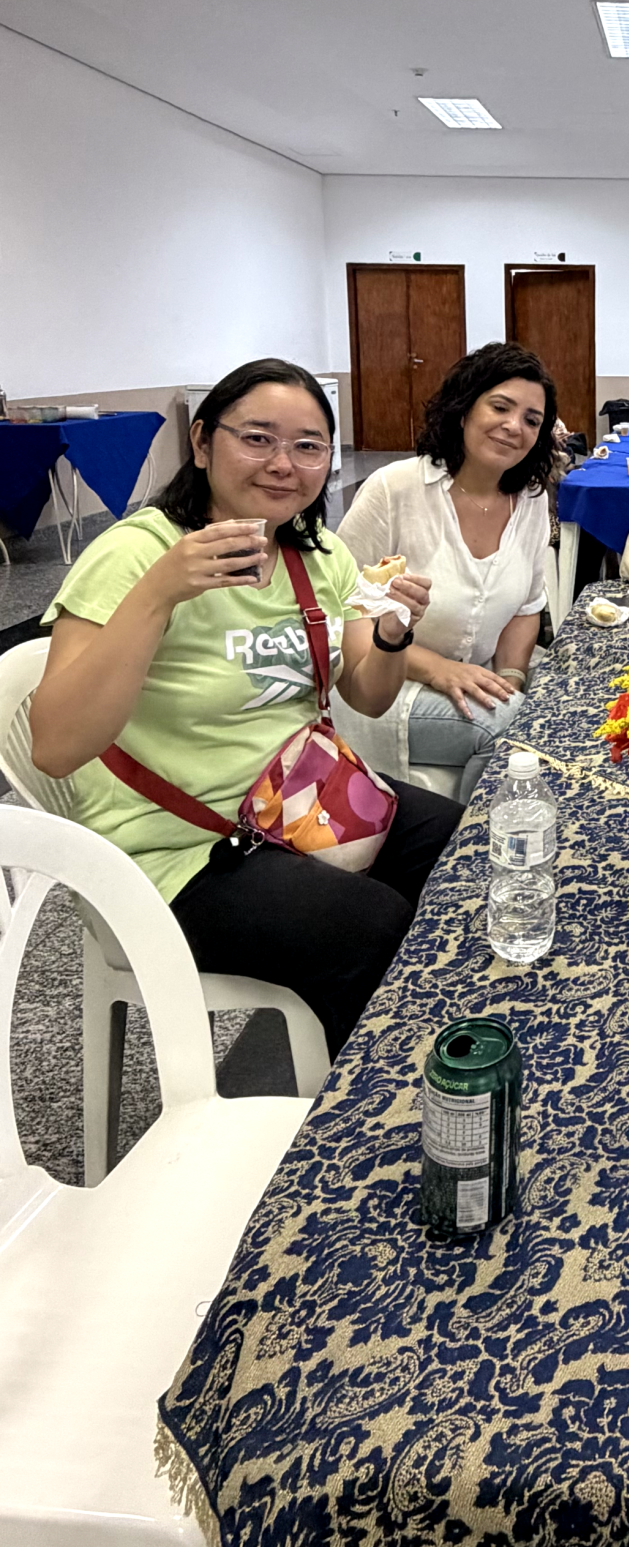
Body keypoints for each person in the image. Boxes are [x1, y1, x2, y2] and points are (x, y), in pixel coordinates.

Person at [30, 361, 461, 1054]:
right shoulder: (136, 554)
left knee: (463, 845)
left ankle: (444, 1035)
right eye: (258, 438)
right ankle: (378, 1096)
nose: (283, 464)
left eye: (308, 446)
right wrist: (160, 593)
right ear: (202, 443)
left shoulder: (317, 554)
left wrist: (391, 633)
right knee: (372, 924)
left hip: (300, 804)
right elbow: (55, 746)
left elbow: (369, 696)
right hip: (173, 851)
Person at [337, 344, 556, 803]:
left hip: (480, 674)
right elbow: (341, 609)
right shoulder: (395, 489)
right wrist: (438, 668)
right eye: (500, 407)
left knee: (573, 708)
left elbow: (527, 606)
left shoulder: (531, 500)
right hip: (387, 686)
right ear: (463, 409)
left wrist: (511, 677)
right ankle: (474, 845)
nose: (514, 426)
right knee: (511, 729)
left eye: (531, 420)